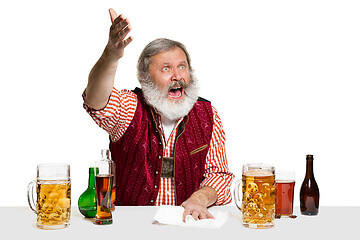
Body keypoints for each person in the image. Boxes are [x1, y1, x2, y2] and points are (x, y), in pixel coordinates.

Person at [83, 8, 234, 221]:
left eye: (182, 67)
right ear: (145, 79)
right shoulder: (130, 107)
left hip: (187, 226)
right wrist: (110, 56)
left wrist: (200, 198)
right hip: (131, 227)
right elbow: (96, 100)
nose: (177, 76)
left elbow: (218, 176)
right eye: (166, 69)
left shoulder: (208, 114)